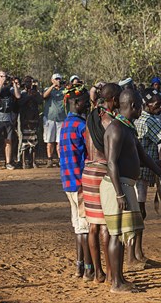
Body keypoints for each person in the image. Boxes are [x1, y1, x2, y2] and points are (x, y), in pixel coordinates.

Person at [102, 89, 161, 293]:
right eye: (140, 106)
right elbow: (111, 163)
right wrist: (119, 193)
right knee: (117, 235)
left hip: (125, 185)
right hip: (117, 187)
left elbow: (143, 157)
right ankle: (117, 283)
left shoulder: (127, 128)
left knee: (124, 234)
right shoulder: (117, 129)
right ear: (133, 106)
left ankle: (119, 278)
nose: (141, 110)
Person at [133, 88, 161, 268]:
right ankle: (135, 255)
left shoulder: (140, 118)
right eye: (157, 104)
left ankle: (138, 253)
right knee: (139, 213)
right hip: (142, 172)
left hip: (139, 170)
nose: (160, 107)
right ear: (146, 104)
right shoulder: (149, 120)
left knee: (140, 212)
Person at [83, 83, 122, 284]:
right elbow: (113, 155)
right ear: (114, 100)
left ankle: (98, 273)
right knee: (107, 226)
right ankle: (111, 273)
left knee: (92, 227)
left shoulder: (91, 117)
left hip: (88, 170)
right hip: (103, 171)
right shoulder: (110, 121)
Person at [59, 84, 94, 280]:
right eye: (86, 102)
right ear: (77, 102)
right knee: (85, 227)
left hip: (68, 181)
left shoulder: (66, 124)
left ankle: (80, 267)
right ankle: (88, 268)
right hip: (81, 181)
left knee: (78, 226)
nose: (88, 104)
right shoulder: (81, 126)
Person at [0, 71, 21, 170]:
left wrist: (14, 84)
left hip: (8, 118)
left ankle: (8, 162)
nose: (4, 78)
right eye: (2, 76)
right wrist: (1, 84)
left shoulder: (10, 89)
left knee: (8, 141)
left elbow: (18, 96)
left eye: (5, 76)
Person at [16, 76, 42, 169]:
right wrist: (29, 96)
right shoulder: (22, 93)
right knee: (24, 142)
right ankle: (23, 162)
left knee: (34, 142)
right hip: (24, 120)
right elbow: (20, 103)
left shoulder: (36, 93)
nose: (28, 84)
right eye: (26, 82)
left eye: (30, 82)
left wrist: (34, 95)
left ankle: (33, 162)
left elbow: (40, 101)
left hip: (34, 120)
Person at [43, 73, 66, 167]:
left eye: (59, 79)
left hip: (61, 119)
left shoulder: (64, 90)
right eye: (56, 79)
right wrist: (53, 86)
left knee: (60, 142)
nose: (58, 81)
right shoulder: (48, 89)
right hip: (49, 118)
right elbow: (44, 96)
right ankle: (50, 160)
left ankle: (61, 160)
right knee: (49, 141)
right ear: (52, 80)